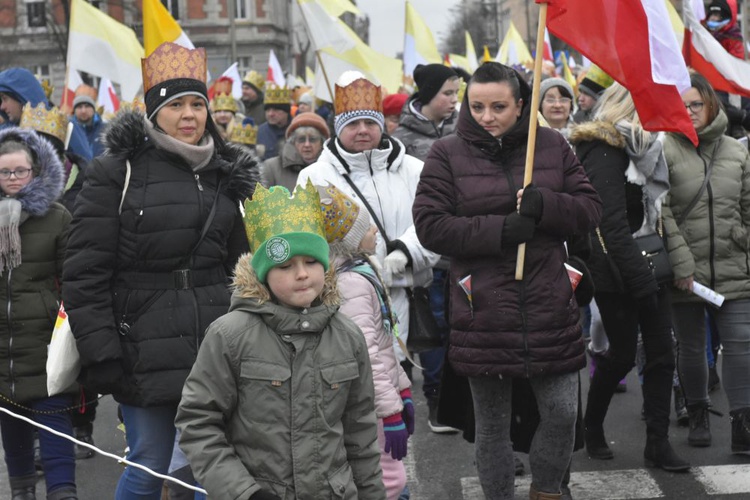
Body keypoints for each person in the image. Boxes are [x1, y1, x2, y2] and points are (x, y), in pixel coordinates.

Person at [61, 41, 257, 500]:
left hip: (215, 340)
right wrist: (102, 351)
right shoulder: (117, 171)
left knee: (212, 464)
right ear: (153, 112)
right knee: (150, 463)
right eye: (175, 105)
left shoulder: (226, 174)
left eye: (197, 104)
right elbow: (85, 270)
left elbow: (241, 267)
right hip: (140, 343)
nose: (189, 115)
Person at [412, 62, 602, 500]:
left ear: (521, 105)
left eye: (498, 106)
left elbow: (589, 209)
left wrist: (546, 205)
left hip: (548, 299)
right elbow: (430, 226)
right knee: (492, 425)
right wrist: (499, 231)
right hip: (483, 305)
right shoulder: (446, 152)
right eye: (477, 106)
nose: (487, 116)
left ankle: (548, 490)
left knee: (561, 412)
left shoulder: (552, 146)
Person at [175, 182, 386, 500]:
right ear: (263, 273)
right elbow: (198, 423)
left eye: (312, 262)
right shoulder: (230, 335)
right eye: (286, 266)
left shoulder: (347, 335)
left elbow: (360, 432)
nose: (302, 274)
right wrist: (245, 492)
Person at [569, 83, 690, 471]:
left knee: (661, 354)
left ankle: (657, 442)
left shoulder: (643, 146)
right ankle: (592, 425)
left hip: (646, 262)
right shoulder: (603, 147)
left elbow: (653, 209)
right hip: (614, 270)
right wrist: (639, 280)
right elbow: (607, 223)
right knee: (621, 355)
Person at [297, 71, 439, 377]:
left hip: (405, 298)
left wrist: (406, 252)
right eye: (352, 124)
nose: (363, 130)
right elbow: (307, 240)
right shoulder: (314, 177)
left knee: (397, 384)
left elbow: (434, 221)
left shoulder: (415, 170)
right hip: (343, 305)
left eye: (370, 123)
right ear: (338, 128)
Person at [662, 72, 750, 454]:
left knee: (741, 345)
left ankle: (742, 423)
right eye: (680, 105)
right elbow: (660, 213)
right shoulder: (662, 149)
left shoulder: (737, 150)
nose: (689, 111)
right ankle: (697, 410)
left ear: (710, 103)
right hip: (687, 275)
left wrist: (743, 244)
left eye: (695, 104)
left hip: (734, 269)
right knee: (692, 348)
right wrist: (681, 264)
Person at [317, 183, 413, 499]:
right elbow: (366, 355)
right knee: (389, 481)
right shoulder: (351, 284)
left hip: (381, 397)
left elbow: (385, 340)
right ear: (349, 240)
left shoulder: (360, 272)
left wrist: (404, 388)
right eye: (365, 225)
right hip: (371, 406)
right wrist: (391, 410)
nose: (374, 229)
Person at [0, 126, 77, 500]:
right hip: (3, 345)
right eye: (5, 172)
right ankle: (22, 492)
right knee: (11, 427)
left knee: (54, 422)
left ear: (35, 171)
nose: (13, 179)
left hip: (47, 340)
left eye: (20, 171)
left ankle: (63, 492)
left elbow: (73, 278)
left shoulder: (58, 216)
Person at [17, 102, 98, 457]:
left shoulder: (86, 177)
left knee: (78, 361)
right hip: (34, 289)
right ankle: (39, 437)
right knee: (37, 366)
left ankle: (82, 426)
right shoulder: (15, 186)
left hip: (76, 280)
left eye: (43, 141)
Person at [392, 63, 460, 433]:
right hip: (427, 245)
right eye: (447, 93)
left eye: (455, 93)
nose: (454, 100)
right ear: (428, 95)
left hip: (465, 243)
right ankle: (436, 399)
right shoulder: (402, 138)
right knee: (432, 326)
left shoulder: (467, 127)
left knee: (462, 326)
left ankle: (462, 396)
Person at [0, 68, 92, 164]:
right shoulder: (3, 132)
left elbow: (87, 170)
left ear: (20, 96)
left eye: (5, 98)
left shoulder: (64, 126)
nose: (2, 107)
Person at [260, 111, 330, 191]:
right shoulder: (271, 168)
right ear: (293, 142)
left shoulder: (331, 169)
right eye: (301, 139)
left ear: (322, 143)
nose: (307, 144)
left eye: (312, 139)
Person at [70, 84, 106, 158]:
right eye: (79, 107)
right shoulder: (69, 131)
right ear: (74, 110)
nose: (83, 111)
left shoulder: (106, 129)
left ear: (93, 109)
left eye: (87, 106)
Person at [257, 84, 291, 160]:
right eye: (268, 110)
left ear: (286, 111)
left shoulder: (296, 130)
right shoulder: (259, 132)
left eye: (276, 110)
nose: (270, 114)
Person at [210, 76, 240, 141]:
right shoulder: (207, 131)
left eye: (226, 111)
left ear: (233, 113)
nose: (222, 115)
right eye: (219, 111)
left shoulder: (242, 128)